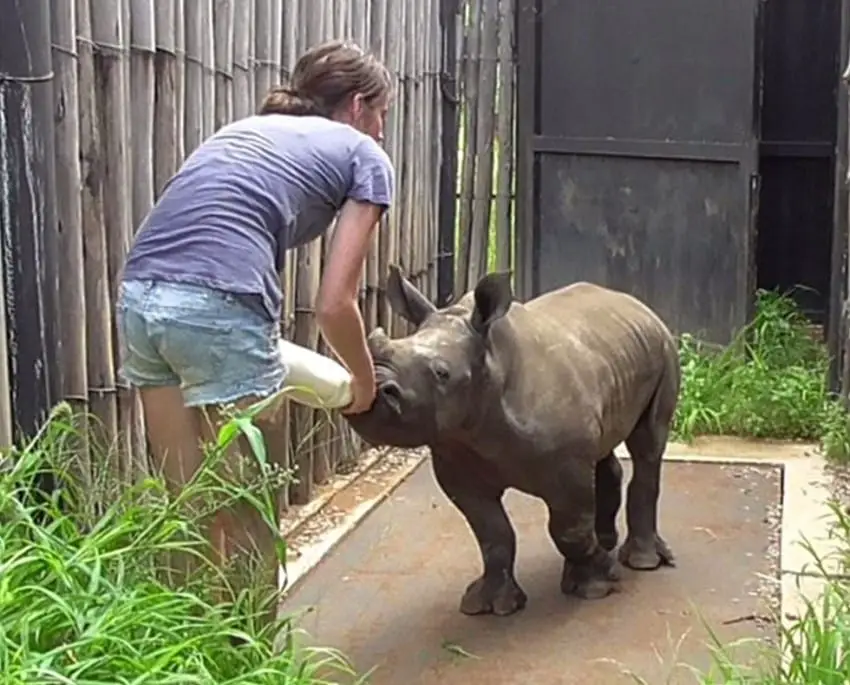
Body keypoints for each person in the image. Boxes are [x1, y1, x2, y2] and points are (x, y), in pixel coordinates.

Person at [115, 39, 395, 602]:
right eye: (382, 116)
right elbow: (335, 305)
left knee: (185, 502)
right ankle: (251, 660)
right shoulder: (365, 154)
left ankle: (185, 654)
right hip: (218, 305)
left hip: (140, 298)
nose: (383, 131)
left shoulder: (244, 131)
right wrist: (363, 383)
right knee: (248, 509)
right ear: (359, 106)